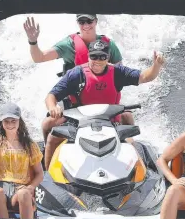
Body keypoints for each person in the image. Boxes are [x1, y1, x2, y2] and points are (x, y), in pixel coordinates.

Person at [43, 40, 166, 169]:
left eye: (102, 57)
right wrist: (52, 107)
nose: (98, 60)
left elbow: (145, 77)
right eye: (94, 56)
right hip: (78, 122)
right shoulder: (76, 74)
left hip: (111, 121)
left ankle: (139, 175)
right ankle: (47, 175)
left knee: (130, 144)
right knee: (52, 139)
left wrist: (156, 65)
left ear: (107, 58)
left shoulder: (118, 72)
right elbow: (51, 96)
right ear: (88, 55)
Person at [23, 13, 134, 126]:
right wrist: (33, 41)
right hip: (76, 104)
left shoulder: (109, 45)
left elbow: (120, 74)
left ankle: (131, 143)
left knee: (128, 117)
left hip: (105, 102)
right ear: (77, 23)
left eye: (89, 21)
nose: (86, 25)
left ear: (96, 21)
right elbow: (39, 57)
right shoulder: (68, 45)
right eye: (82, 22)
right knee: (48, 123)